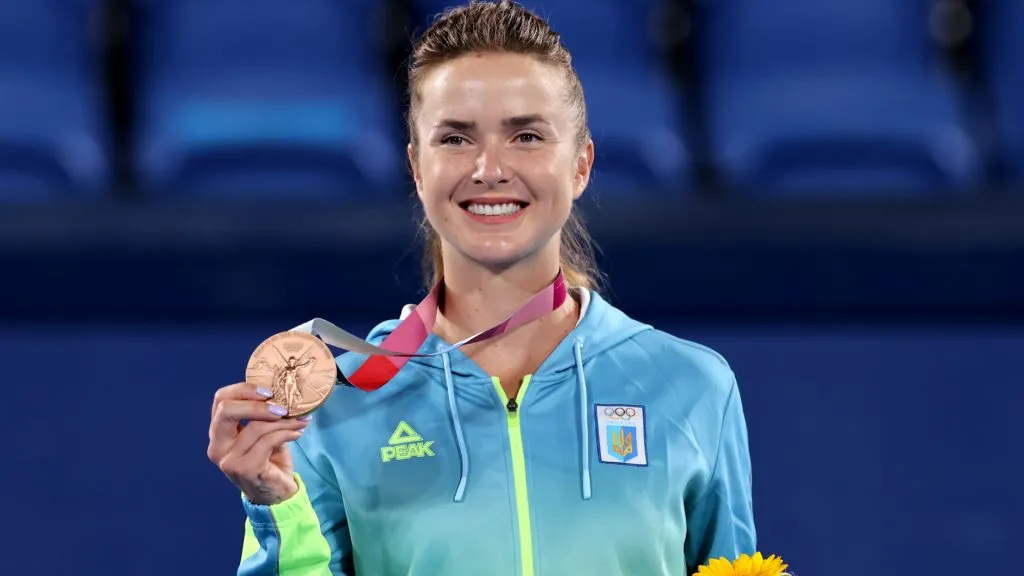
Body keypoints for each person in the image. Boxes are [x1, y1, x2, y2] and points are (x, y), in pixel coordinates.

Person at [206, 1, 756, 574]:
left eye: (526, 136)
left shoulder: (692, 387)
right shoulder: (338, 405)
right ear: (417, 169)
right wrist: (276, 507)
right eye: (455, 139)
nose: (489, 168)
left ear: (581, 165)